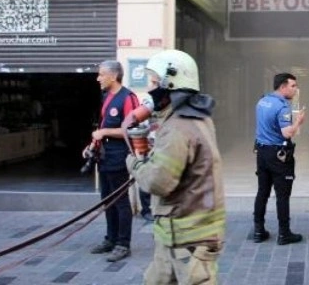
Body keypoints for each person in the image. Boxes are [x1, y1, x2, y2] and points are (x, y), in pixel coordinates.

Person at [126, 49, 225, 284]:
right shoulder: (196, 118)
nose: (149, 91)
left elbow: (158, 181)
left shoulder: (178, 127)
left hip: (189, 238)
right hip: (174, 234)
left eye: (153, 82)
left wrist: (135, 163)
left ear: (169, 83)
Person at [84, 60, 138, 262]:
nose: (98, 78)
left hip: (120, 157)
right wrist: (92, 145)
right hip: (105, 157)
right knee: (107, 200)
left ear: (114, 76)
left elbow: (132, 129)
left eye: (101, 74)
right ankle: (111, 238)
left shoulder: (128, 98)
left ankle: (123, 244)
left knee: (121, 202)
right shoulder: (107, 96)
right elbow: (102, 126)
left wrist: (105, 132)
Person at [252, 73, 305, 245]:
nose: (295, 89)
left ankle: (258, 231)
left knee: (262, 192)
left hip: (262, 153)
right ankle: (284, 233)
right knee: (282, 195)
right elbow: (287, 133)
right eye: (293, 86)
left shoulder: (262, 101)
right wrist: (298, 121)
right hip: (278, 156)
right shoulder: (283, 107)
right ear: (282, 87)